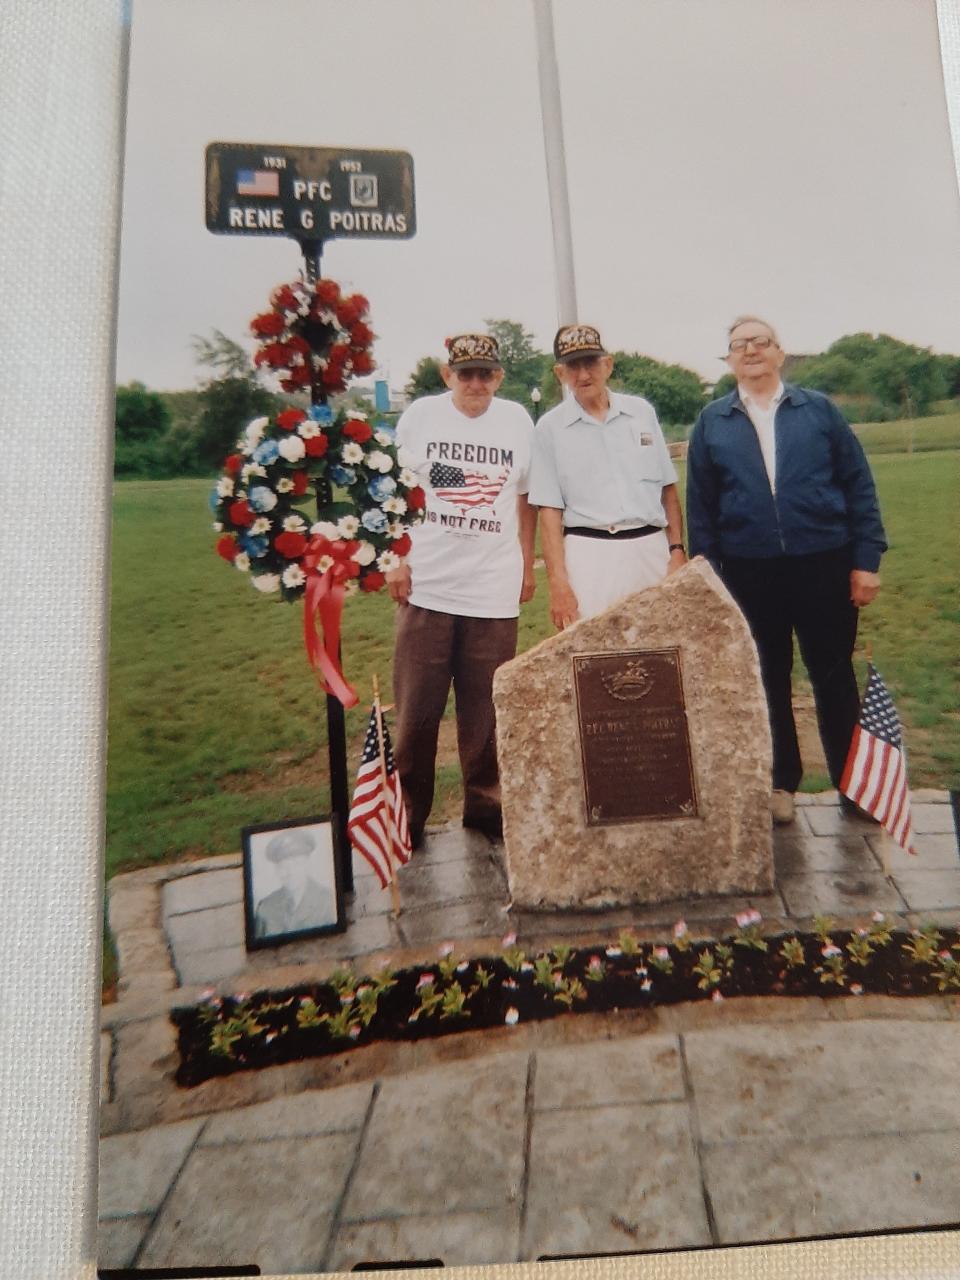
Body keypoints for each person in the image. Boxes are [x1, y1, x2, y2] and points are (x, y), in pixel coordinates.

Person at [686, 315, 887, 825]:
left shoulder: (818, 411)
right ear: (728, 360)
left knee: (833, 676)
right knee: (767, 678)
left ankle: (854, 786)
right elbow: (702, 509)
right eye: (739, 345)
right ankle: (780, 783)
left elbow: (859, 485)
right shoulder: (713, 421)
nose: (750, 350)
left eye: (760, 342)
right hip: (750, 572)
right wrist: (710, 576)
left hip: (824, 563)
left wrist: (866, 561)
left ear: (779, 353)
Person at [386, 333, 537, 847]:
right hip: (427, 585)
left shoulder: (518, 421)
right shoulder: (420, 418)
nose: (476, 382)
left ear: (499, 376)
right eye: (465, 373)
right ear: (447, 375)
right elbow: (397, 492)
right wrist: (396, 559)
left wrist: (526, 565)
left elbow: (524, 499)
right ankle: (408, 814)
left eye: (486, 374)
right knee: (417, 712)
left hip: (492, 588)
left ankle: (486, 806)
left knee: (488, 710)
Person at [527, 324, 686, 630]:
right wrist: (559, 582)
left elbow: (667, 489)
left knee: (661, 646)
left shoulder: (641, 413)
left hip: (650, 547)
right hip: (590, 554)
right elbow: (548, 512)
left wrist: (676, 550)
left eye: (591, 363)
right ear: (560, 373)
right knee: (596, 659)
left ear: (608, 365)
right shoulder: (549, 429)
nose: (583, 375)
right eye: (573, 367)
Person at [253, 828, 336, 938]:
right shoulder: (266, 907)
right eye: (282, 866)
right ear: (276, 870)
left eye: (296, 864)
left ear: (307, 864)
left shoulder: (328, 901)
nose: (289, 872)